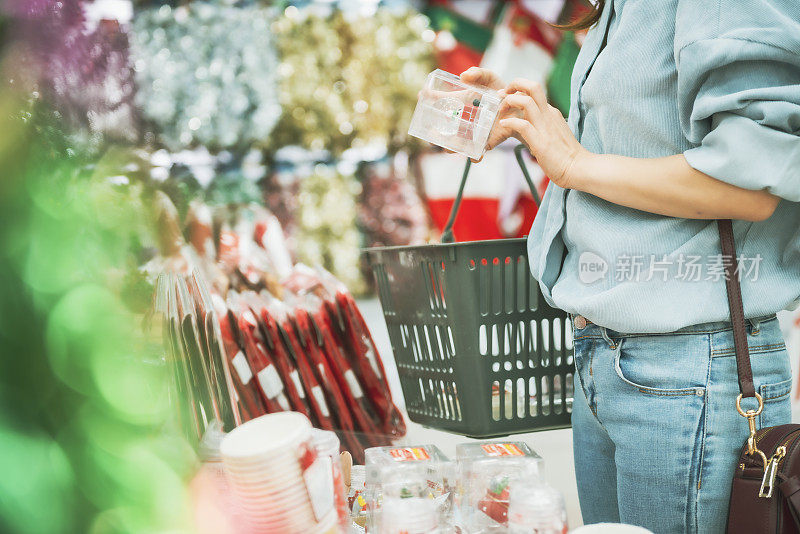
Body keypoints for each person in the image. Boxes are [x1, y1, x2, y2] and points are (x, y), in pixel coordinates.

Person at [462, 0, 800, 532]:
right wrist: (542, 123)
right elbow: (647, 142)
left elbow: (752, 180)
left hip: (688, 367)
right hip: (612, 358)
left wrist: (574, 163)